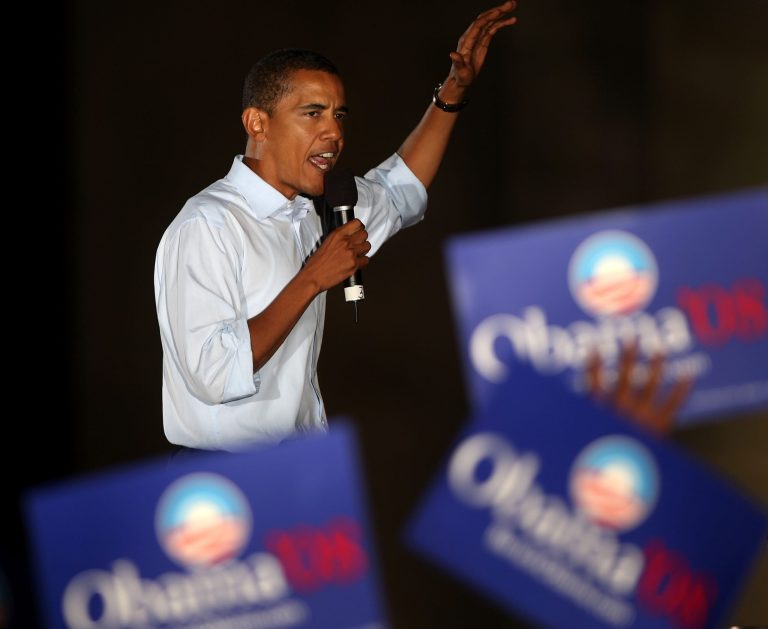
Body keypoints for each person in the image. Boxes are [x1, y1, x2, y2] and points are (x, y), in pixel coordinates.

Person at [154, 3, 519, 451]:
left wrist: (454, 89)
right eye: (312, 114)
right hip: (226, 482)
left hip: (304, 467)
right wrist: (312, 278)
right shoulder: (208, 225)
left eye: (339, 115)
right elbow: (212, 373)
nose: (333, 134)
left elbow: (399, 189)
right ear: (257, 123)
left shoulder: (318, 208)